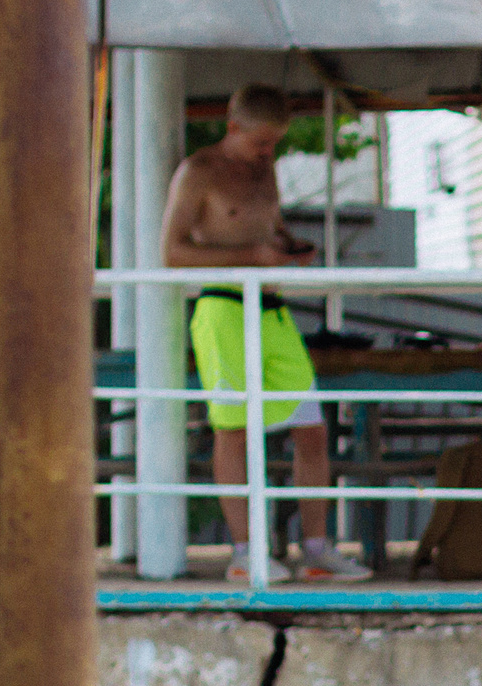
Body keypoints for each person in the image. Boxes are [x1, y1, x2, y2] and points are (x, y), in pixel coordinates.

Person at [160, 83, 365, 582]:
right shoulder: (199, 171)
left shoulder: (265, 169)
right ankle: (245, 551)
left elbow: (264, 230)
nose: (266, 153)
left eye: (274, 144)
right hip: (224, 308)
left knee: (313, 428)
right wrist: (251, 257)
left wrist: (287, 245)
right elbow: (172, 252)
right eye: (259, 143)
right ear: (233, 128)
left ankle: (316, 548)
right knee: (233, 429)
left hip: (273, 310)